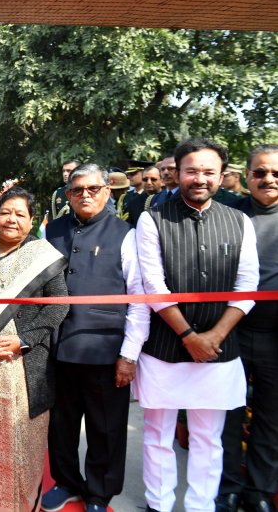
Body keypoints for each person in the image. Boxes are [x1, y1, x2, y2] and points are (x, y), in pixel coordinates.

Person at [134, 138, 258, 512]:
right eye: (192, 171)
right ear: (179, 173)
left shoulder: (239, 221)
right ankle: (159, 505)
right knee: (157, 436)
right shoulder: (152, 218)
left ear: (222, 176)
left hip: (218, 352)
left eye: (208, 171)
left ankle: (201, 506)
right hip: (164, 350)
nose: (199, 178)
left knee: (209, 438)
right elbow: (153, 286)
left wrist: (214, 336)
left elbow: (248, 285)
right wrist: (188, 336)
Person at [43, 164, 150, 512]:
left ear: (107, 191)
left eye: (93, 189)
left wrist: (129, 354)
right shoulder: (52, 231)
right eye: (77, 190)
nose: (85, 195)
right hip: (59, 347)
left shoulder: (125, 234)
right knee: (61, 425)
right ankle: (67, 482)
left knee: (106, 428)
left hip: (106, 348)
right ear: (68, 194)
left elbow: (138, 299)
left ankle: (99, 493)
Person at [0, 186, 69, 512]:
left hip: (25, 364)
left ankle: (17, 503)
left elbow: (58, 306)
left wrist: (23, 340)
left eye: (20, 214)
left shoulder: (43, 255)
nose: (11, 219)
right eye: (6, 212)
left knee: (20, 441)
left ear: (32, 220)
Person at [217, 145, 278, 512]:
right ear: (247, 175)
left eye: (276, 173)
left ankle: (259, 492)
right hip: (229, 332)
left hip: (275, 337)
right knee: (227, 415)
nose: (268, 179)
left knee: (271, 418)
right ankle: (229, 488)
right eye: (260, 172)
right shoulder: (229, 216)